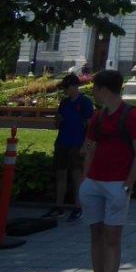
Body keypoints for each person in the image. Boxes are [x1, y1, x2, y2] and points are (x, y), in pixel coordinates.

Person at [79, 69, 136, 272]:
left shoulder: (131, 117)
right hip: (95, 183)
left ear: (104, 89)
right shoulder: (98, 116)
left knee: (112, 238)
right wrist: (85, 179)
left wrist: (128, 184)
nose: (93, 92)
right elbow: (90, 147)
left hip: (117, 184)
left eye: (95, 87)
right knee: (95, 234)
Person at [45, 73, 94, 221]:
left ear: (74, 86)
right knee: (61, 174)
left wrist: (85, 144)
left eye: (66, 88)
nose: (65, 91)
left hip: (77, 142)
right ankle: (58, 206)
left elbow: (90, 125)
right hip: (62, 141)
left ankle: (78, 206)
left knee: (76, 175)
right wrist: (57, 121)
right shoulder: (64, 103)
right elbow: (57, 124)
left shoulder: (85, 102)